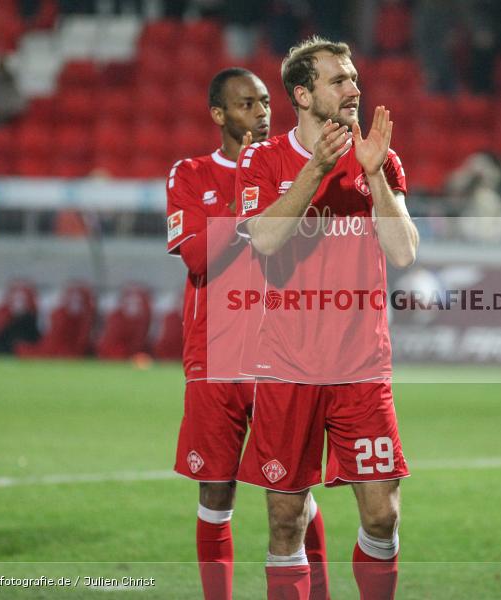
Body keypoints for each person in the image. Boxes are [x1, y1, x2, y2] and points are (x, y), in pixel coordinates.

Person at [235, 37, 418, 599]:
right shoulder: (263, 159)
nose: (353, 88)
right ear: (302, 93)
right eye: (338, 79)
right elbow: (263, 239)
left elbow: (404, 250)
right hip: (288, 366)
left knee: (383, 515)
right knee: (285, 520)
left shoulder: (380, 158)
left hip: (362, 366)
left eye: (354, 78)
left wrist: (377, 178)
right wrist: (317, 170)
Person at [165, 68, 329, 600]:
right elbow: (194, 254)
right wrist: (254, 215)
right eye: (247, 104)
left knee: (294, 493)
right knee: (215, 491)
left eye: (265, 102)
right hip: (214, 354)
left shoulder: (291, 164)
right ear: (219, 115)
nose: (262, 112)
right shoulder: (189, 174)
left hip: (283, 352)